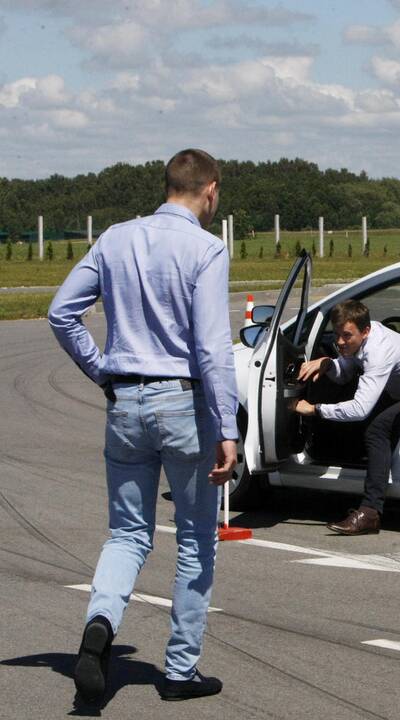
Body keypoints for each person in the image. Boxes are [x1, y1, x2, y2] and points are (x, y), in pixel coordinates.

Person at [48, 149, 239, 704]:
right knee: (195, 538)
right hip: (183, 404)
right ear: (210, 191)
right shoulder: (206, 248)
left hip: (125, 401)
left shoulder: (114, 238)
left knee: (128, 533)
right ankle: (180, 670)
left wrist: (103, 370)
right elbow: (211, 348)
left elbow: (63, 312)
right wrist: (227, 426)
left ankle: (102, 620)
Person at [293, 299, 400, 535]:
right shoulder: (360, 339)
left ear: (365, 331)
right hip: (393, 390)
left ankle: (370, 512)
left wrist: (315, 409)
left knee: (376, 429)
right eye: (336, 334)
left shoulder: (378, 350)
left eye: (346, 336)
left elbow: (359, 409)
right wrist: (327, 364)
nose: (339, 341)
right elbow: (344, 373)